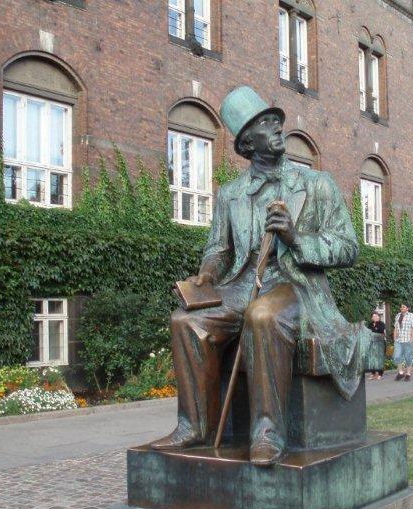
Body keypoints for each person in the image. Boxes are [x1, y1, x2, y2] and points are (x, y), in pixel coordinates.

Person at [150, 86, 384, 466]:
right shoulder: (231, 194)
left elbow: (347, 248)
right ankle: (195, 428)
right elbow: (219, 250)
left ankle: (267, 432)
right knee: (185, 321)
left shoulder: (316, 185)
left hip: (295, 286)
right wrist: (206, 277)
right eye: (265, 123)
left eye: (277, 121)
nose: (277, 127)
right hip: (242, 284)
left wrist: (295, 237)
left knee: (263, 315)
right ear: (246, 143)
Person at [393, 304, 413, 381]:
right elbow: (396, 328)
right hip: (399, 341)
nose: (401, 308)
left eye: (403, 307)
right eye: (401, 307)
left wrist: (412, 338)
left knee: (408, 358)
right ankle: (400, 373)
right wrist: (394, 339)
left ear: (407, 308)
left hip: (407, 340)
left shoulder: (411, 316)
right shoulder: (398, 316)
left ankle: (408, 374)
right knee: (397, 356)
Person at [367, 312, 385, 380]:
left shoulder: (381, 324)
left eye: (376, 316)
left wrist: (375, 327)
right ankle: (373, 373)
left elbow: (380, 331)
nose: (375, 317)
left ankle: (380, 374)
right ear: (372, 318)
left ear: (378, 317)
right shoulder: (370, 324)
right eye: (373, 316)